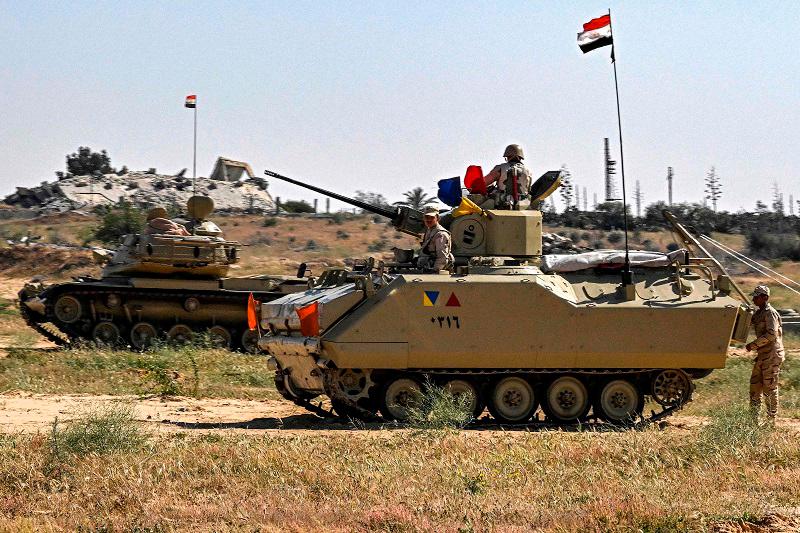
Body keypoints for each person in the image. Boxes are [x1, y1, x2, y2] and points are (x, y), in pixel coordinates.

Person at [745, 285, 785, 422]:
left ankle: (771, 421)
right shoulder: (759, 313)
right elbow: (748, 323)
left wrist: (753, 345)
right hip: (763, 355)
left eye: (756, 297)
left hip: (772, 355)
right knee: (755, 386)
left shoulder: (770, 313)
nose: (754, 299)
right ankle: (753, 420)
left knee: (769, 387)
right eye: (754, 296)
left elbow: (771, 334)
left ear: (765, 298)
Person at [482, 144, 533, 209]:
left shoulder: (500, 168)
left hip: (502, 205)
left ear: (508, 157)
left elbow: (483, 183)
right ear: (520, 157)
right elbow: (528, 189)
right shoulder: (528, 172)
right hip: (523, 206)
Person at [417, 206, 454, 272]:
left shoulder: (441, 234)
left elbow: (442, 257)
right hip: (427, 267)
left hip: (435, 269)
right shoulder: (429, 230)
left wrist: (435, 271)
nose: (428, 220)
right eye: (426, 217)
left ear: (438, 218)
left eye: (432, 217)